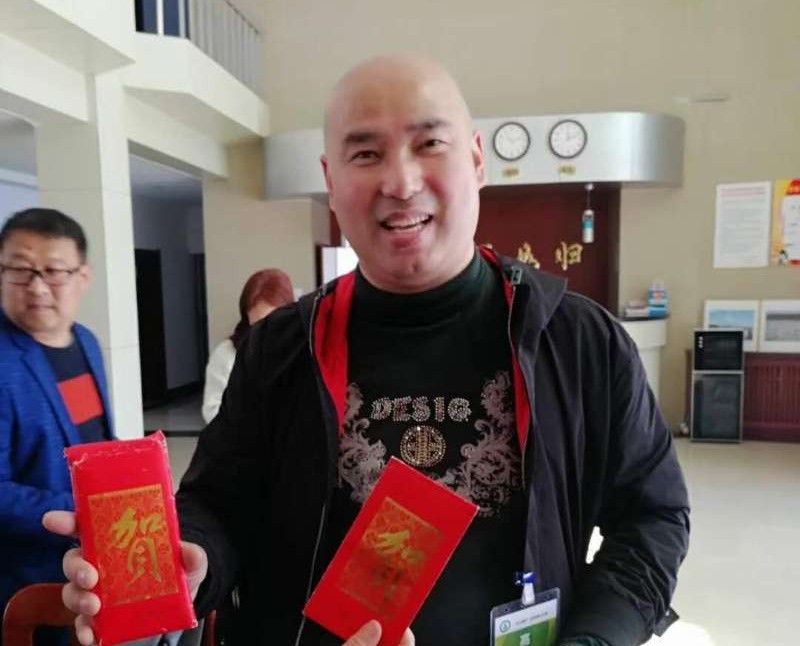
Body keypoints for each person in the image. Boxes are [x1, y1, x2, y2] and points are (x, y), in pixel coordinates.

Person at [48, 55, 689, 646]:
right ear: (331, 181)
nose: (401, 181)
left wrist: (594, 639)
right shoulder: (282, 348)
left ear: (476, 160)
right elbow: (219, 501)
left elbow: (652, 519)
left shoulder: (578, 341)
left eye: (429, 144)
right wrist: (195, 559)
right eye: (365, 153)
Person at [0, 209, 113, 631]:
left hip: (92, 564)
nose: (37, 286)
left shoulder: (85, 342)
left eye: (53, 271)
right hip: (24, 580)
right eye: (20, 269)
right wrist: (87, 513)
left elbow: (91, 439)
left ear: (83, 277)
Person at [201, 268, 295, 423]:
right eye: (256, 324)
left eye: (272, 321)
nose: (264, 331)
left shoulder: (301, 350)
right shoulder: (227, 354)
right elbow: (212, 411)